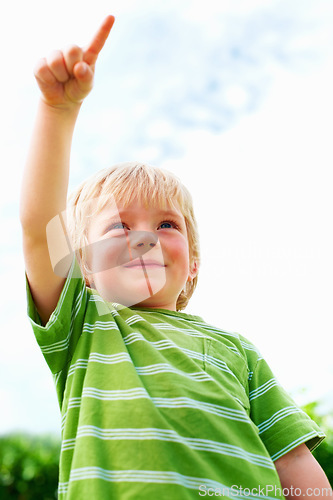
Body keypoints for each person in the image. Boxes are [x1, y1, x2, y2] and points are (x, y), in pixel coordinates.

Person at [20, 15, 332, 500]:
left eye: (167, 225)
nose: (144, 239)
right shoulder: (83, 326)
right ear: (81, 264)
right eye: (120, 226)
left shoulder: (238, 351)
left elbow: (295, 465)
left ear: (192, 265)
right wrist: (57, 111)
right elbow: (40, 232)